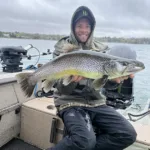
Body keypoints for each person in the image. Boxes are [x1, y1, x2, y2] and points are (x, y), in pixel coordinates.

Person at [47, 6, 137, 150]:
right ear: (73, 27)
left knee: (128, 134)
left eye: (87, 26)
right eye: (79, 26)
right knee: (84, 141)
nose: (83, 30)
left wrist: (113, 81)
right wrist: (71, 82)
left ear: (92, 28)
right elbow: (61, 88)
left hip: (96, 102)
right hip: (70, 102)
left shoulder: (102, 51)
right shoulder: (62, 49)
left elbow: (103, 86)